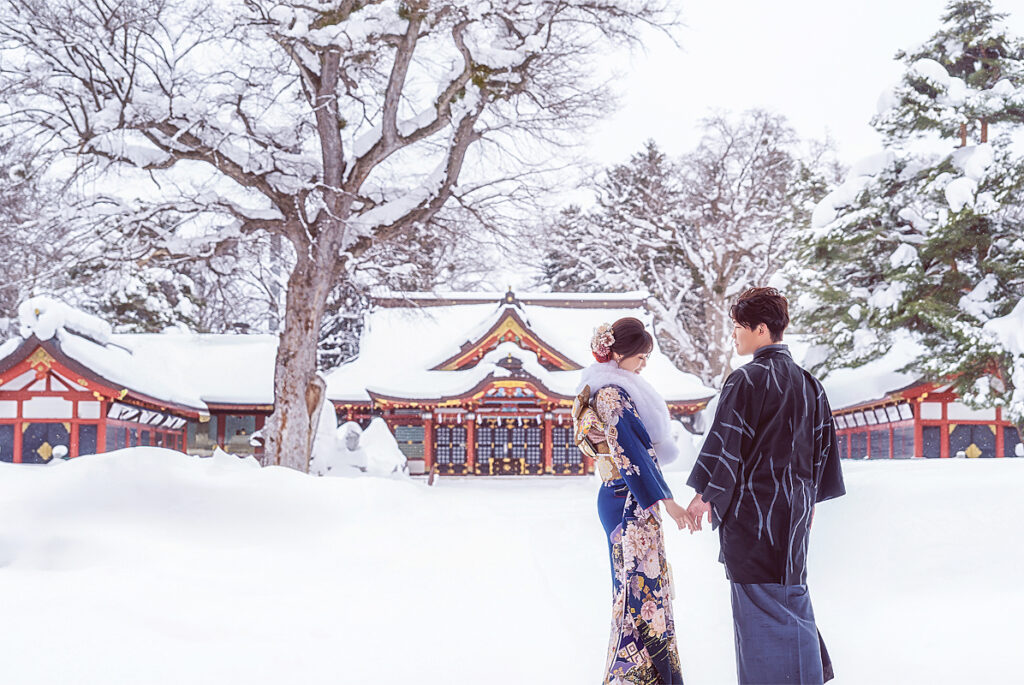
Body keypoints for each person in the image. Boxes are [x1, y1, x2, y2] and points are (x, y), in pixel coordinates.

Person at [686, 287, 846, 685]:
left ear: (760, 329)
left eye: (738, 327)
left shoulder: (747, 380)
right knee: (790, 599)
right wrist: (806, 505)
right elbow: (822, 454)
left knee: (757, 611)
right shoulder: (810, 384)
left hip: (753, 518)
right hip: (792, 520)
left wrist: (704, 495)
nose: (735, 336)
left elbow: (727, 444)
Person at [575, 317, 694, 685]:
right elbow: (632, 455)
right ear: (620, 354)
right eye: (641, 356)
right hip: (627, 498)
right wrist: (667, 499)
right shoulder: (611, 394)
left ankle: (649, 675)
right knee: (639, 593)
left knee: (642, 589)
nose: (644, 364)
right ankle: (640, 678)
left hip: (626, 496)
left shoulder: (611, 389)